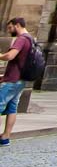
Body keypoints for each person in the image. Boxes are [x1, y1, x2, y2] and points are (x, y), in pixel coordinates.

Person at [0, 16, 35, 145]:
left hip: (13, 78)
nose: (9, 31)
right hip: (21, 78)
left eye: (10, 27)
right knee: (12, 108)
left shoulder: (21, 39)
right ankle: (5, 137)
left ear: (17, 25)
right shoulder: (31, 39)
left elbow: (10, 55)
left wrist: (1, 56)